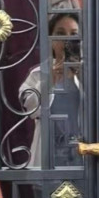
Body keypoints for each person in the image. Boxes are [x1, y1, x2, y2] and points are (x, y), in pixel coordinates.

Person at [20, 12, 82, 169]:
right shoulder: (38, 74)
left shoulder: (93, 74)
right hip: (49, 158)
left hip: (84, 156)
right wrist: (50, 82)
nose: (67, 39)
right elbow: (32, 110)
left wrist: (81, 73)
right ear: (51, 39)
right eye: (60, 33)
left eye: (74, 34)